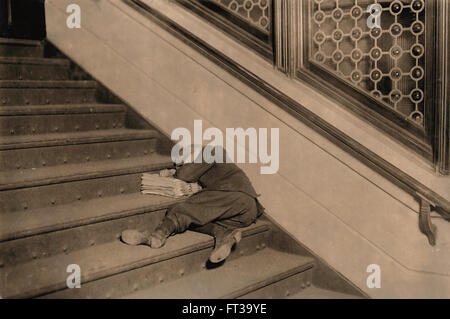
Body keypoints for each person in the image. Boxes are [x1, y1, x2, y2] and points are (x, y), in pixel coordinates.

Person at [121, 145, 264, 263]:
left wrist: (174, 172)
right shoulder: (218, 165)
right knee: (196, 220)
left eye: (182, 162)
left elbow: (185, 175)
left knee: (183, 210)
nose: (181, 165)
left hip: (234, 196)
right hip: (245, 215)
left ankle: (156, 236)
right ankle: (224, 235)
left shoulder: (211, 150)